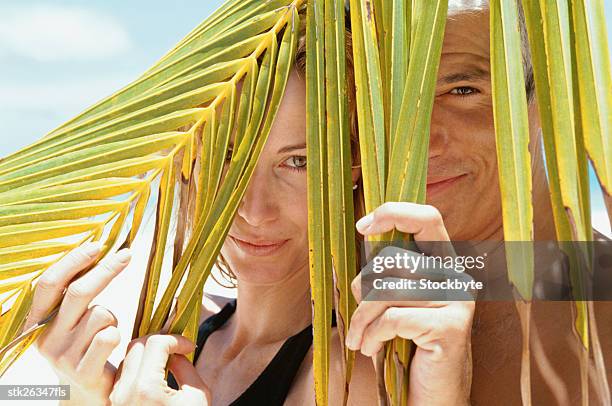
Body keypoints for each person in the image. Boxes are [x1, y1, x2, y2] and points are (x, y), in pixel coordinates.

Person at [21, 1, 610, 405]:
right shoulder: (378, 295)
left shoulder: (577, 280)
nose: (415, 138)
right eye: (383, 100)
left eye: (463, 90)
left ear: (547, 105)